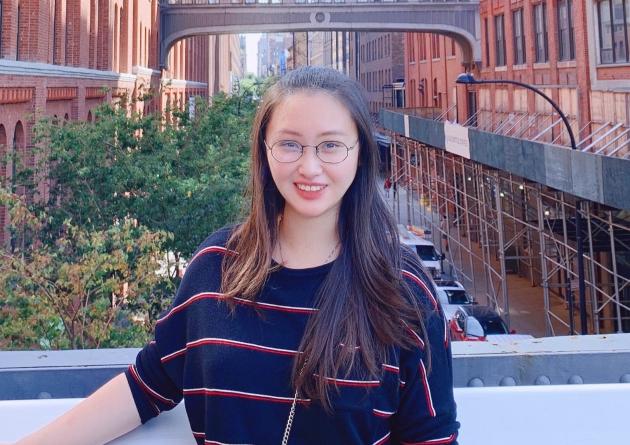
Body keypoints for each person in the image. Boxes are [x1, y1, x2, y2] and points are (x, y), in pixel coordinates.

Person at [8, 67, 459, 445]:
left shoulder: (402, 291)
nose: (309, 166)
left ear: (360, 154)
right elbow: (147, 385)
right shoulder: (217, 265)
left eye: (330, 145)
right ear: (264, 152)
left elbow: (430, 437)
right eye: (289, 144)